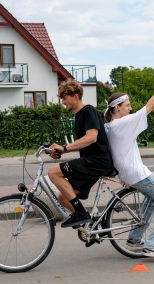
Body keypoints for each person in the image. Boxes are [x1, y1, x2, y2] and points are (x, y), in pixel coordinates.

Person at [104, 72, 154, 258]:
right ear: (116, 108)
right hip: (137, 174)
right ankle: (152, 245)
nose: (130, 109)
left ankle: (135, 238)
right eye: (127, 106)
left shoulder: (109, 127)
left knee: (152, 200)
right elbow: (151, 105)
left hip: (128, 174)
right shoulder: (123, 123)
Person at [48, 79, 115, 228]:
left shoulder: (88, 111)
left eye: (64, 98)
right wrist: (61, 152)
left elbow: (91, 138)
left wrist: (64, 148)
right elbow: (84, 142)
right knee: (64, 197)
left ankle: (82, 214)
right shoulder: (79, 115)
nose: (63, 102)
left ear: (76, 96)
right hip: (91, 161)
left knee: (53, 172)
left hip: (97, 161)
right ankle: (93, 225)